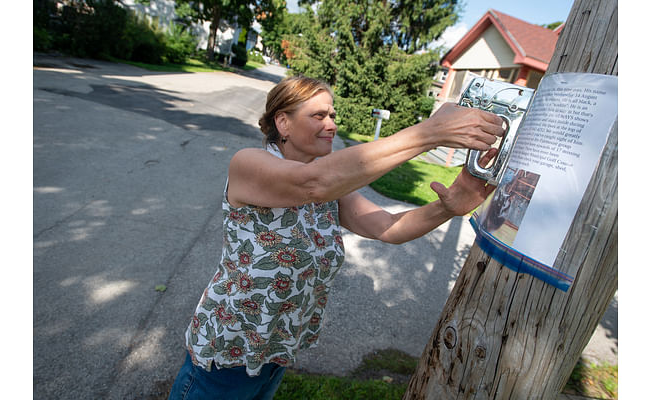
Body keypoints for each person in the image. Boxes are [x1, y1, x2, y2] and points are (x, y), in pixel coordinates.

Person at [168, 75, 504, 400]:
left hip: (274, 352)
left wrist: (449, 207)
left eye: (332, 115)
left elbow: (387, 226)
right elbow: (311, 183)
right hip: (227, 350)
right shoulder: (249, 164)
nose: (332, 124)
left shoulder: (330, 188)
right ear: (283, 123)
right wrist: (430, 133)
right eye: (318, 115)